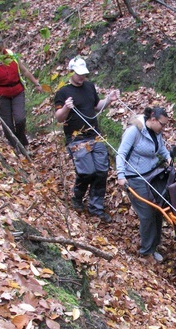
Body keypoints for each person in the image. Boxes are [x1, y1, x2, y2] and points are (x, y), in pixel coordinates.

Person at [54, 56, 118, 222]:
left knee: (102, 171)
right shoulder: (63, 92)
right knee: (86, 171)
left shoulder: (89, 87)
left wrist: (109, 100)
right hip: (76, 139)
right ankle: (77, 197)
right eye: (78, 74)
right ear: (71, 72)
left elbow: (97, 106)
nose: (81, 77)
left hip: (94, 135)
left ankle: (96, 207)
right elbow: (59, 118)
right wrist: (66, 109)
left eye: (83, 74)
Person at [116, 106, 173, 262]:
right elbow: (121, 153)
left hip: (153, 174)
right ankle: (146, 252)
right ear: (153, 120)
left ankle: (153, 246)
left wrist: (167, 156)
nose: (163, 128)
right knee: (147, 214)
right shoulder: (134, 131)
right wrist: (121, 175)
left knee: (158, 210)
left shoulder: (156, 132)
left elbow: (160, 147)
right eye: (162, 124)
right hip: (135, 177)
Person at [0, 37, 42, 148]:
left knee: (20, 119)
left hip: (17, 91)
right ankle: (15, 147)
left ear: (3, 46)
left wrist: (36, 83)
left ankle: (22, 143)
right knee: (8, 125)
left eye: (0, 49)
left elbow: (24, 70)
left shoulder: (11, 55)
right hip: (1, 96)